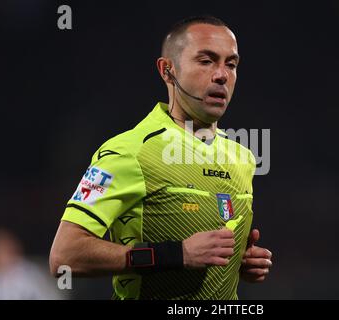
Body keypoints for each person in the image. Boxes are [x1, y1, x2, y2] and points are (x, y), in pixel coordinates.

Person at [50, 15, 272, 300]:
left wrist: (240, 264)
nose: (222, 75)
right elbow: (64, 257)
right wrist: (175, 254)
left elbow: (208, 254)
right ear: (168, 71)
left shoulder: (242, 157)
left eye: (231, 64)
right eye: (206, 61)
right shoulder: (129, 151)